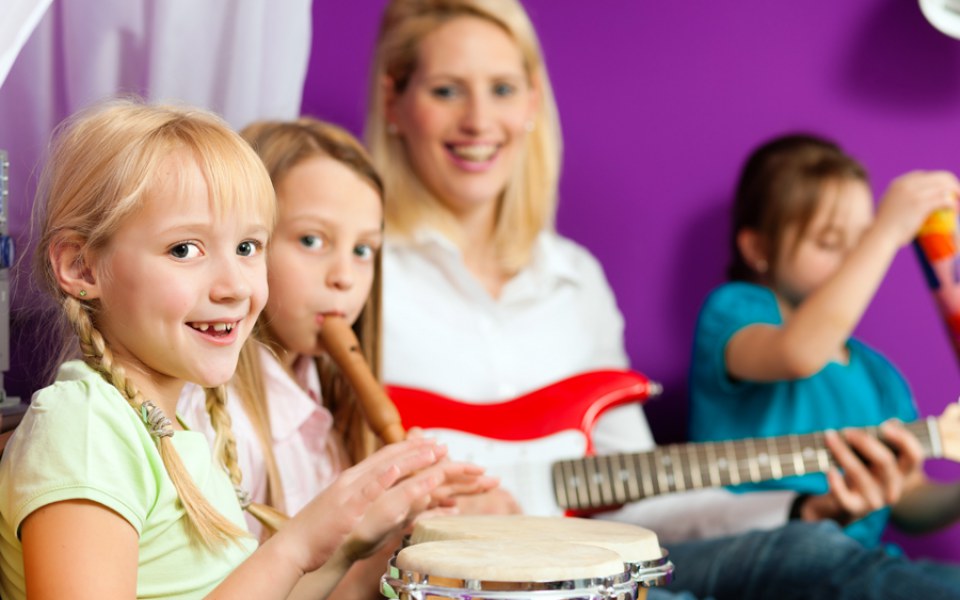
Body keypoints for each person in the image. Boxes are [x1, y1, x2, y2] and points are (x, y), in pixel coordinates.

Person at [364, 1, 960, 598]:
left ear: (532, 103)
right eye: (445, 91)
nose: (478, 119)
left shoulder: (576, 280)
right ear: (394, 102)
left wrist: (807, 508)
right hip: (438, 573)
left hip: (595, 561)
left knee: (818, 550)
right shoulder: (358, 269)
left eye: (501, 88)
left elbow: (645, 499)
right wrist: (425, 516)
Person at [0, 99, 484, 600]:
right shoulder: (84, 429)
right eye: (184, 249)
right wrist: (294, 544)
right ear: (81, 268)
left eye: (248, 248)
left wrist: (353, 536)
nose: (234, 286)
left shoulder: (166, 431)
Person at [180, 116, 496, 598]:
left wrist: (414, 532)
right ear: (246, 242)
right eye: (312, 240)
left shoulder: (321, 401)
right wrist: (384, 549)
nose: (345, 277)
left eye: (364, 249)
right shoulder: (206, 416)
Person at [688, 133, 960, 549]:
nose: (857, 259)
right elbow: (798, 354)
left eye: (862, 240)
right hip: (755, 551)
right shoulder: (734, 313)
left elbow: (907, 497)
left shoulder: (879, 375)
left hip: (857, 565)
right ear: (758, 248)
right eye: (831, 242)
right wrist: (884, 234)